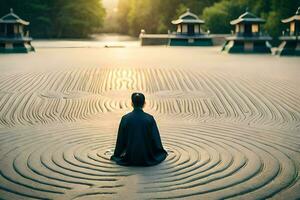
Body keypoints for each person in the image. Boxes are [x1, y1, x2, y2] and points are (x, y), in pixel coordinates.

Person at [111, 93, 167, 166]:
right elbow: (155, 139)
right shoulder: (149, 118)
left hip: (130, 156)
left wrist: (117, 154)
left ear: (132, 103)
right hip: (147, 156)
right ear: (144, 103)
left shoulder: (125, 118)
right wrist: (158, 151)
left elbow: (121, 140)